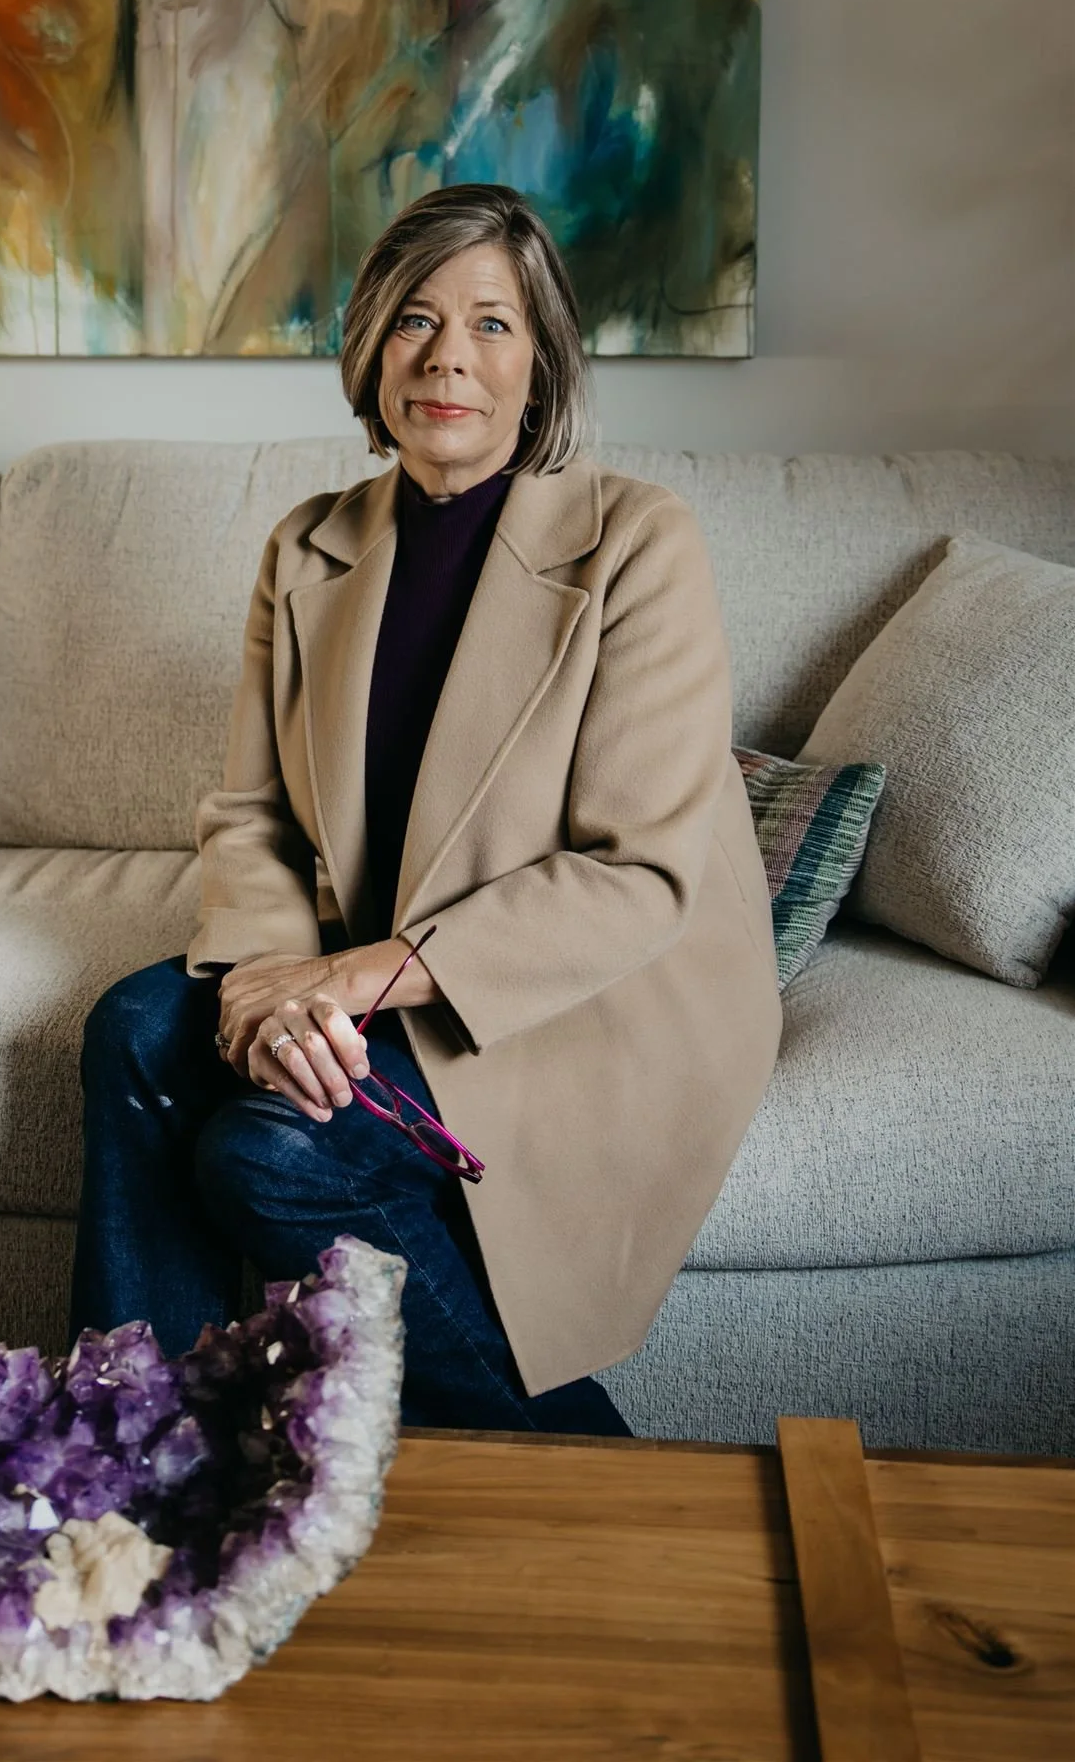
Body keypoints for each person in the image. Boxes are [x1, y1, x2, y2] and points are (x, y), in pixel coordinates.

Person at [70, 183, 782, 1434]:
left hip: (566, 995)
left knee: (265, 1154)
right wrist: (263, 979)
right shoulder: (307, 547)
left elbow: (636, 875)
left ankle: (583, 1454)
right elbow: (252, 813)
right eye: (415, 318)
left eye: (492, 323)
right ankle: (137, 1444)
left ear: (541, 364)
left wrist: (345, 981)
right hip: (369, 972)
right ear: (371, 349)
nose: (448, 355)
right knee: (133, 1025)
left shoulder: (637, 541)